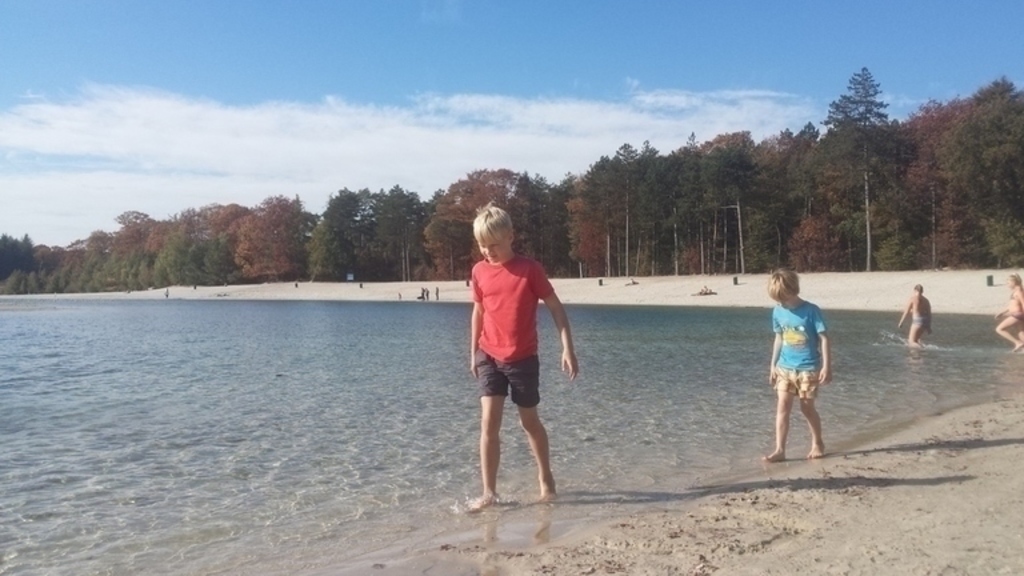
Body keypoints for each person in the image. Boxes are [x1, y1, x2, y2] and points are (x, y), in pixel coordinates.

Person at [469, 202, 578, 510]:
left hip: (522, 359)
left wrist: (567, 348)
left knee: (529, 422)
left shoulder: (530, 270)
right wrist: (472, 351)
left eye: (494, 245)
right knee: (488, 423)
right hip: (489, 355)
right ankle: (489, 493)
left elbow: (556, 308)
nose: (488, 251)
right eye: (482, 245)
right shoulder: (479, 271)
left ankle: (546, 479)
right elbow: (478, 311)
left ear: (510, 237)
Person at [764, 268, 831, 463]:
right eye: (777, 299)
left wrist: (827, 366)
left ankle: (818, 443)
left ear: (792, 290)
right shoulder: (777, 311)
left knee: (806, 408)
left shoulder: (811, 310)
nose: (780, 302)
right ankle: (780, 450)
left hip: (808, 368)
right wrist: (772, 365)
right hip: (784, 367)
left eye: (782, 297)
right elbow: (779, 337)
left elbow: (824, 338)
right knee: (782, 407)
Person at [994, 273, 1024, 352]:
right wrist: (1002, 312)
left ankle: (1018, 342)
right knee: (1021, 333)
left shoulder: (1019, 291)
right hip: (1018, 315)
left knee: (999, 329)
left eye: (1008, 283)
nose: (1007, 284)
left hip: (1018, 315)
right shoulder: (1016, 291)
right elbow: (1012, 305)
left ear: (1014, 282)